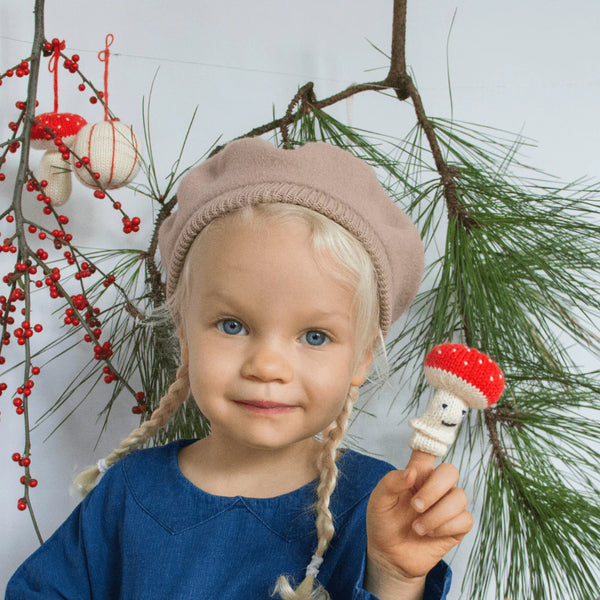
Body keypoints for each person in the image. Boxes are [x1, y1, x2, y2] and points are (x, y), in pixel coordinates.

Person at [5, 138, 472, 600]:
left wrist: (395, 577)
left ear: (362, 357)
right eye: (232, 325)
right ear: (185, 333)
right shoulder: (131, 492)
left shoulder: (377, 505)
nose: (267, 366)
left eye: (314, 336)